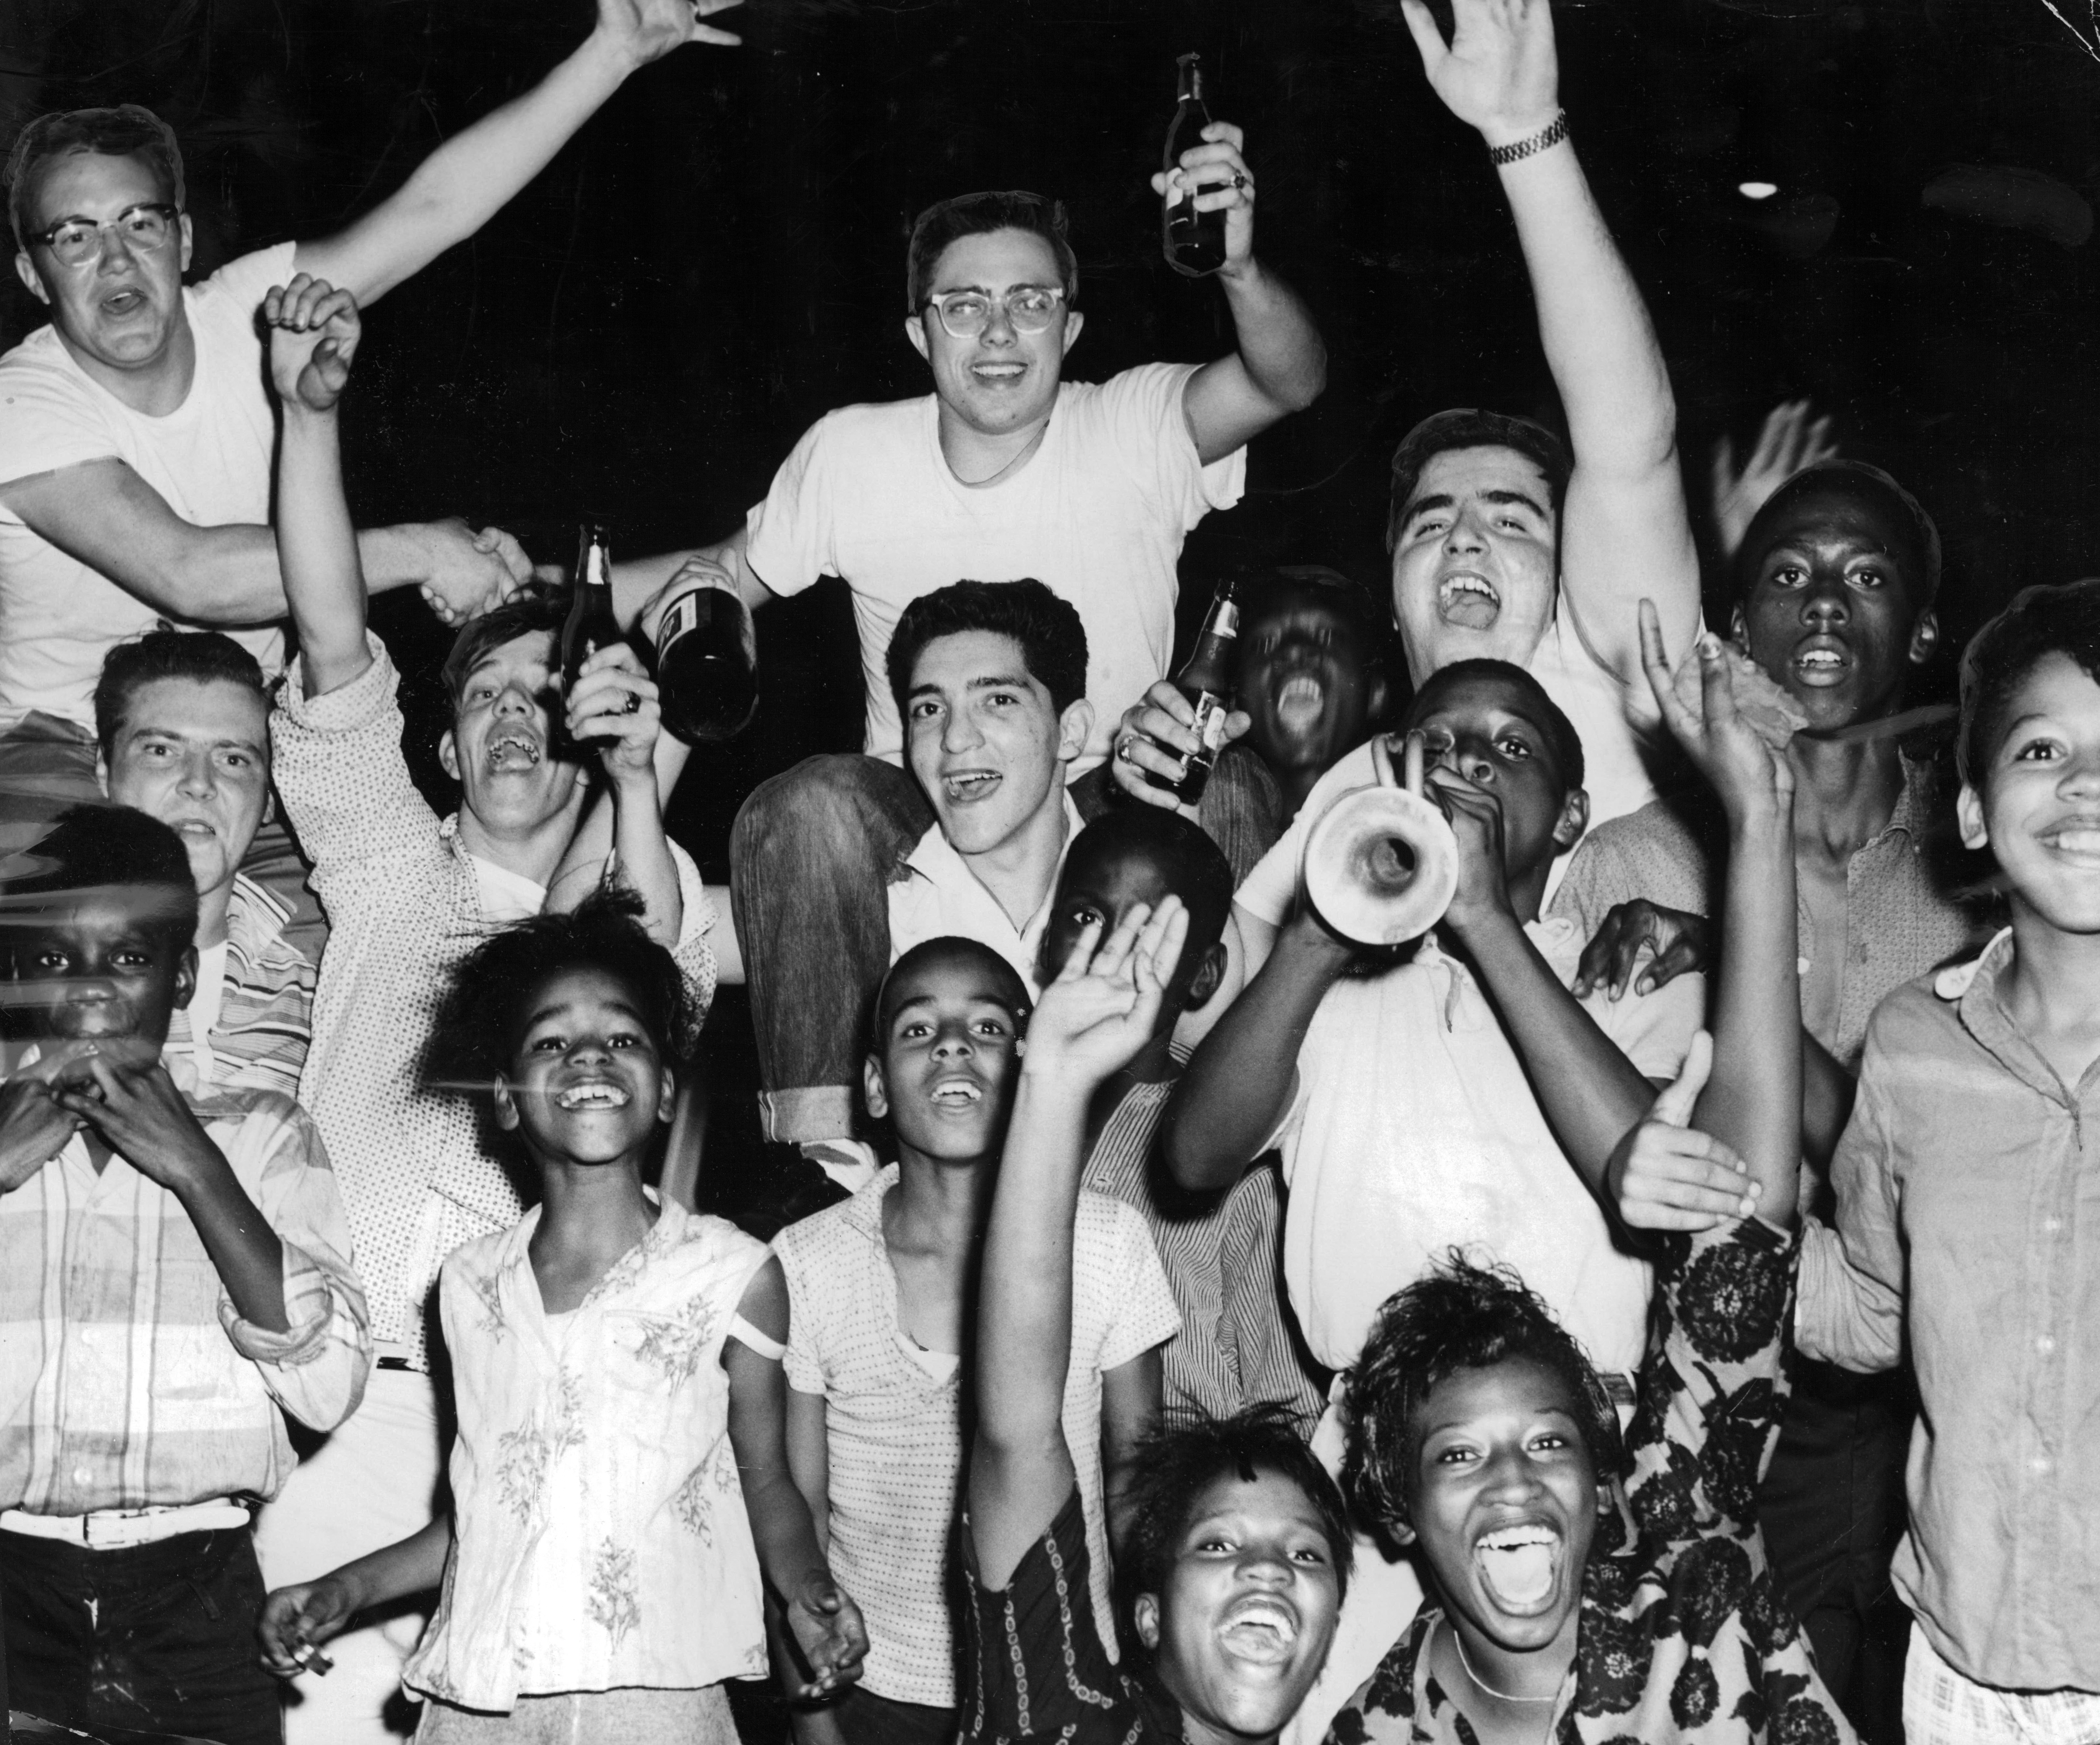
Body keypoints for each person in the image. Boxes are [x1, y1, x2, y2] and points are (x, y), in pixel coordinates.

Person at [0, 0, 742, 948]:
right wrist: (424, 551)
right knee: (71, 951)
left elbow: (435, 211)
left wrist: (614, 50)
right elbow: (192, 576)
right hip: (59, 747)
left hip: (244, 744)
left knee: (362, 968)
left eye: (140, 222)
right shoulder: (22, 406)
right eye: (74, 235)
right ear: (34, 275)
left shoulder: (248, 311)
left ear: (183, 241)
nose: (115, 258)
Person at [251, 276, 720, 1743]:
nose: (515, 714)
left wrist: (644, 774)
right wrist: (307, 413)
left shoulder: (634, 887)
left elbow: (649, 980)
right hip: (358, 1406)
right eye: (483, 700)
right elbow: (332, 634)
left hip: (558, 1432)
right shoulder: (389, 860)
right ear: (447, 751)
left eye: (545, 692)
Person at [679, 128, 1324, 1174]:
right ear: (916, 329)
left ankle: (1232, 1126)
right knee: (803, 805)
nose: (996, 332)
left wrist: (1240, 264)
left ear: (1070, 325)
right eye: (963, 304)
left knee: (1233, 783)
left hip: (1118, 792)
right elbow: (717, 586)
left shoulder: (1133, 427)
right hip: (924, 806)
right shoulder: (849, 453)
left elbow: (1285, 378)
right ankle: (828, 1161)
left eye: (1028, 302)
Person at [1327, 595, 1843, 1745]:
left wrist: (1756, 821)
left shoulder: (1692, 1594)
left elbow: (1737, 1241)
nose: (1513, 1485)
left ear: (1610, 1474)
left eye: (1551, 1441)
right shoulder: (1371, 1725)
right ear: (1395, 1508)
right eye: (1456, 1453)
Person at [1163, 657, 1704, 1741]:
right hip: (1372, 1464)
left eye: (1511, 748)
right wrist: (1320, 932)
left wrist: (1483, 919)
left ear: (1571, 815)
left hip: (1570, 1462)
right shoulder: (1328, 983)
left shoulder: (1625, 971)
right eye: (1440, 742)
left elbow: (1657, 1187)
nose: (1468, 761)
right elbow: (1191, 1153)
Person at [1550, 460, 1988, 1731]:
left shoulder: (1978, 882)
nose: (1820, 607)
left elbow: (1932, 1186)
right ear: (1738, 631)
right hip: (1714, 1399)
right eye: (1786, 577)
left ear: (1917, 628)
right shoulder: (1634, 861)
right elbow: (1602, 1160)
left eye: (1863, 578)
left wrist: (1740, 997)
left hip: (1921, 1410)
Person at [1115, 0, 1703, 924]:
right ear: (1391, 591)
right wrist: (1156, 816)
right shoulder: (1360, 785)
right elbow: (1231, 999)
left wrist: (1524, 136)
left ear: (1567, 571)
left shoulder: (1609, 675)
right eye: (1430, 523)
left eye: (1512, 518)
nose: (1465, 537)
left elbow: (1630, 438)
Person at [258, 896, 867, 1744]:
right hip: (480, 1703)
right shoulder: (468, 1285)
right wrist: (343, 1591)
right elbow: (485, 1515)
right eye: (551, 1040)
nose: (589, 1054)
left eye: (623, 1037)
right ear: (505, 1098)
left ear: (663, 1090)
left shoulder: (732, 1274)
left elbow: (768, 1484)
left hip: (655, 1701)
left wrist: (806, 1589)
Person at [1795, 578, 2100, 1742]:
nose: (2082, 783)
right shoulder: (1914, 1046)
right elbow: (1871, 1308)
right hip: (1964, 1682)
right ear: (1973, 811)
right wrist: (1719, 1221)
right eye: (2041, 747)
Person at [0, 802, 368, 1745]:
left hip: (196, 1596)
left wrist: (199, 1168)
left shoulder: (262, 1133)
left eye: (128, 958)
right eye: (51, 960)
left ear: (182, 973)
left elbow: (327, 1390)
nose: (87, 993)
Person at [958, 894, 1352, 1745]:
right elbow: (1017, 1432)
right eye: (1214, 1546)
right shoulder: (1070, 1719)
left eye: (1305, 1555)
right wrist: (1053, 1084)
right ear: (1145, 1614)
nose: (1263, 1568)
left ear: (1334, 1636)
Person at [772, 935, 1180, 1745]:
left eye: (988, 1028)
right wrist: (815, 1728)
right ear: (877, 1088)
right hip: (874, 1696)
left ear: (1033, 1070)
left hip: (1062, 1680)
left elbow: (1142, 1492)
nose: (954, 1042)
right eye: (919, 1030)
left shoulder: (1106, 1242)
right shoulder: (807, 1262)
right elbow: (794, 1524)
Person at [1042, 809, 1321, 1424]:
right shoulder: (991, 1113)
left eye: (1151, 934)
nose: (1109, 952)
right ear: (1047, 935)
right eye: (1087, 917)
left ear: (1205, 973)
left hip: (1181, 1482)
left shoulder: (1234, 1158)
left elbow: (1284, 1406)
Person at [93, 628, 316, 1098]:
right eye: (161, 751)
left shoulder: (318, 990)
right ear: (104, 773)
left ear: (269, 799)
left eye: (233, 759)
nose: (199, 783)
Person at [1203, 567, 1391, 885]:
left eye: (1327, 637)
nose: (1293, 649)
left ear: (1375, 693)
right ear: (1236, 700)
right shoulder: (1217, 790)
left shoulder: (1405, 819)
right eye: (1265, 644)